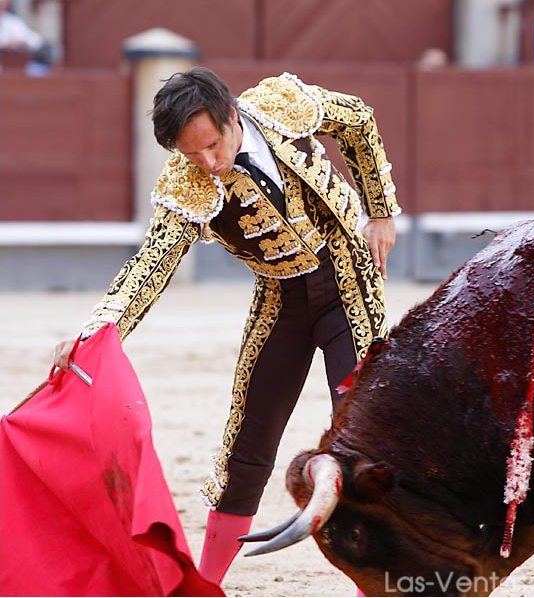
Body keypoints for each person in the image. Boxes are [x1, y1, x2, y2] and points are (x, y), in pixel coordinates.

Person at [53, 67, 401, 587]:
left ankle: (378, 580)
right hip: (279, 296)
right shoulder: (186, 183)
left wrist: (381, 211)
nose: (209, 164)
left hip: (347, 279)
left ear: (232, 116)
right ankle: (205, 583)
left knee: (367, 436)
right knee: (246, 444)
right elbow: (153, 263)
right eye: (193, 155)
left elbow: (358, 120)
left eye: (213, 145)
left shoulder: (285, 104)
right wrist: (99, 328)